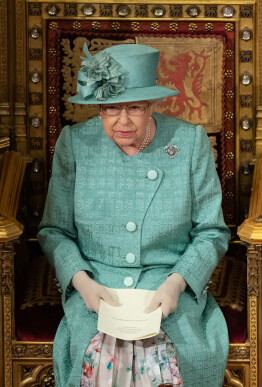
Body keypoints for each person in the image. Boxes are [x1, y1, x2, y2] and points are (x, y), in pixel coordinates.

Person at [38, 43, 230, 386]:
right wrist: (82, 283)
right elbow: (54, 231)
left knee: (167, 357)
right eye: (111, 108)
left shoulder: (189, 142)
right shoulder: (75, 143)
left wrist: (177, 283)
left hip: (167, 286)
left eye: (135, 108)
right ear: (98, 108)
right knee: (99, 355)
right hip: (97, 286)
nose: (122, 121)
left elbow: (212, 232)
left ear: (152, 105)